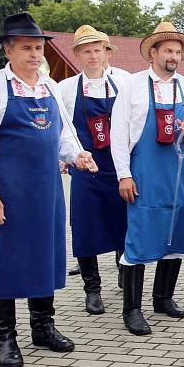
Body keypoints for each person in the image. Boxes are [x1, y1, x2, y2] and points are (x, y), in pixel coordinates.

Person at [0, 12, 98, 367]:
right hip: (9, 193)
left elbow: (64, 134)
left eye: (39, 47)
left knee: (45, 257)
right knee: (5, 261)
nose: (35, 54)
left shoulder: (50, 85)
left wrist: (78, 155)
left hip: (48, 192)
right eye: (27, 48)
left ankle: (43, 327)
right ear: (8, 50)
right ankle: (4, 338)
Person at [110, 21, 184, 336]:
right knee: (139, 237)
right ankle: (132, 310)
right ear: (153, 52)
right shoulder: (133, 86)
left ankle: (163, 298)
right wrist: (123, 174)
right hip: (144, 173)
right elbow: (118, 135)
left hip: (178, 173)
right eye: (168, 50)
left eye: (178, 51)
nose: (174, 56)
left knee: (175, 233)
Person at [59, 25, 128, 313]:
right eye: (86, 51)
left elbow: (133, 122)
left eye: (97, 50)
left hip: (118, 165)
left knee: (123, 222)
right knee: (85, 226)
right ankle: (92, 288)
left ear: (106, 52)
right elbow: (61, 128)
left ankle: (125, 271)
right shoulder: (65, 88)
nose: (92, 56)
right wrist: (64, 157)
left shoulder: (124, 81)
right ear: (77, 55)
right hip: (86, 168)